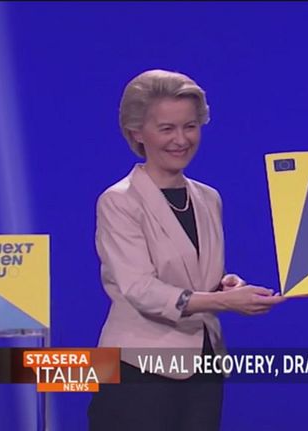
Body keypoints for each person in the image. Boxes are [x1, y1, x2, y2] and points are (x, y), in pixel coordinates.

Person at [87, 69, 284, 430]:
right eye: (167, 128)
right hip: (139, 372)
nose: (181, 139)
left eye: (190, 126)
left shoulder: (208, 198)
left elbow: (192, 275)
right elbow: (141, 289)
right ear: (137, 132)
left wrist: (224, 285)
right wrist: (224, 302)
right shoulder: (119, 201)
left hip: (205, 368)